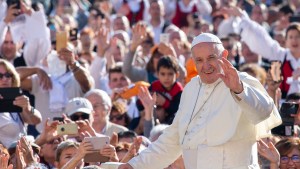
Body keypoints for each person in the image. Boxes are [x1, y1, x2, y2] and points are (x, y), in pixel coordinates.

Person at [118, 33, 282, 169]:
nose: (206, 66)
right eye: (199, 60)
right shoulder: (191, 88)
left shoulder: (242, 81)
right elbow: (172, 140)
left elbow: (264, 112)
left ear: (224, 55)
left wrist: (239, 89)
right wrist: (134, 165)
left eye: (211, 58)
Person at [0, 59, 42, 148]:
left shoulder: (16, 99)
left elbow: (36, 120)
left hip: (22, 156)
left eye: (8, 75)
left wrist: (28, 108)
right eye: (0, 76)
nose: (5, 79)